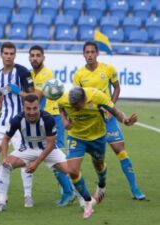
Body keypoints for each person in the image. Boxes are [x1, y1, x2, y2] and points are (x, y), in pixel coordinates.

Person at [73, 41, 145, 200]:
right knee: (92, 159)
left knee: (121, 151)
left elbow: (117, 87)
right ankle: (92, 186)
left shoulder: (108, 69)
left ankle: (135, 189)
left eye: (93, 52)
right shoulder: (78, 75)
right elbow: (77, 98)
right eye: (87, 52)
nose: (90, 55)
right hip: (91, 122)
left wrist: (110, 106)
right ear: (83, 54)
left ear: (97, 53)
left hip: (108, 118)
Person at [57, 86, 138, 219]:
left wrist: (125, 120)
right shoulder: (64, 99)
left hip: (97, 138)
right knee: (72, 170)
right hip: (76, 137)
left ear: (85, 99)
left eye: (77, 105)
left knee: (99, 166)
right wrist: (64, 121)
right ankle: (88, 201)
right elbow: (61, 107)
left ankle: (101, 185)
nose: (75, 108)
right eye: (73, 105)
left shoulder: (98, 97)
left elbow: (116, 112)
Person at [0, 95, 71, 212]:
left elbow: (50, 144)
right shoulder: (17, 119)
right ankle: (2, 202)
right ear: (23, 107)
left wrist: (36, 163)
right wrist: (4, 157)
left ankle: (85, 201)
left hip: (49, 150)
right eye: (28, 108)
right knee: (5, 166)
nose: (32, 112)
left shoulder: (48, 119)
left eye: (35, 108)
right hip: (27, 149)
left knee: (72, 171)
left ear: (39, 106)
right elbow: (5, 139)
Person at [0, 42, 36, 208]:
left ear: (15, 55)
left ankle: (28, 195)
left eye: (11, 53)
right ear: (1, 55)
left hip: (20, 123)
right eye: (6, 53)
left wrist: (19, 91)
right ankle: (1, 194)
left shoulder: (22, 72)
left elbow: (33, 96)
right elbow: (2, 99)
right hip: (2, 121)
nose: (8, 56)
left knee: (24, 158)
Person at [28, 45, 74, 207]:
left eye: (38, 55)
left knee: (54, 156)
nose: (35, 58)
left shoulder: (46, 74)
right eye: (32, 55)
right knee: (51, 156)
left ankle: (69, 191)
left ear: (43, 57)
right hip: (43, 117)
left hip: (52, 117)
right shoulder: (31, 74)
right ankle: (68, 188)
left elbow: (35, 96)